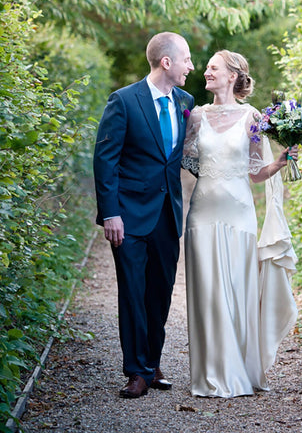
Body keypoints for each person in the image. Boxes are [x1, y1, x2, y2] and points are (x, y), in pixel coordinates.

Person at [182, 50, 298, 398]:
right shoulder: (197, 116)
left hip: (239, 214)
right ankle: (210, 373)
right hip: (202, 212)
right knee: (206, 293)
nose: (206, 72)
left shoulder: (252, 117)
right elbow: (188, 160)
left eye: (213, 68)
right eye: (206, 68)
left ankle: (240, 371)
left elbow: (255, 171)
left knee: (236, 289)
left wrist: (278, 163)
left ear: (233, 75)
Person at [93, 32, 194, 399]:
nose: (191, 66)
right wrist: (111, 214)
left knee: (160, 294)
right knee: (133, 293)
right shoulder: (123, 101)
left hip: (167, 216)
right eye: (186, 59)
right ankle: (136, 371)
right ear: (166, 62)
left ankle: (152, 363)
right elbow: (105, 160)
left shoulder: (185, 100)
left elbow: (184, 156)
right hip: (129, 217)